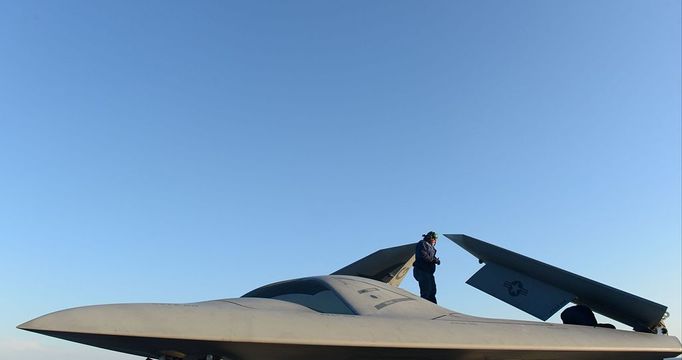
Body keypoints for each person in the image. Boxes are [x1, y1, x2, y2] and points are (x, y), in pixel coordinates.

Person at [413, 231, 440, 303]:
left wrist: (435, 260)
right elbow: (423, 255)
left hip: (429, 272)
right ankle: (424, 307)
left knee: (432, 291)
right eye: (434, 238)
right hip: (421, 270)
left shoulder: (432, 248)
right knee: (426, 291)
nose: (435, 241)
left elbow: (430, 257)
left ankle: (434, 308)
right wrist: (434, 260)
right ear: (430, 238)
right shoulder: (422, 243)